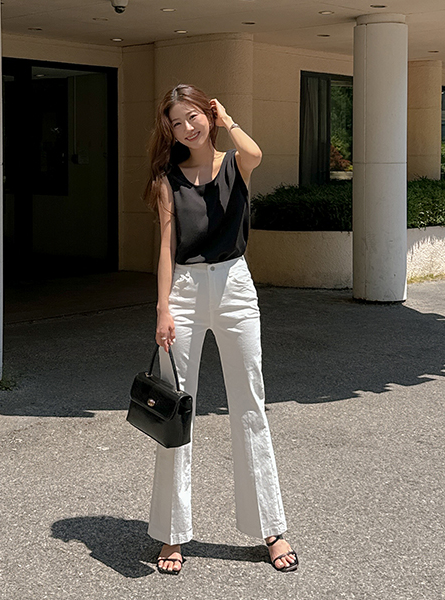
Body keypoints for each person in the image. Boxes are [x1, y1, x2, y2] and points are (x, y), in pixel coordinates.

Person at [144, 84, 298, 575]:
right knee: (177, 410)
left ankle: (271, 527)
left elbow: (255, 153)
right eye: (177, 123)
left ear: (207, 115)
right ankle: (171, 532)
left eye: (193, 117)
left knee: (250, 402)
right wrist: (163, 308)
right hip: (185, 290)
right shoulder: (167, 180)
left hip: (235, 285)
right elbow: (165, 247)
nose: (187, 128)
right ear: (170, 132)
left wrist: (227, 119)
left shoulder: (234, 164)